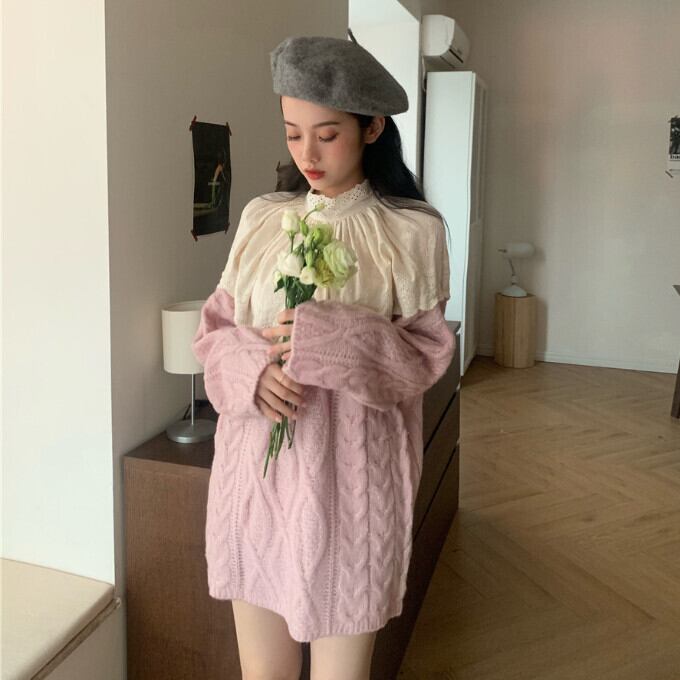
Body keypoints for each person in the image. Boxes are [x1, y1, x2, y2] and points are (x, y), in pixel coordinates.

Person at [191, 35, 456, 680]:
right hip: (255, 484)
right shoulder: (262, 218)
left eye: (327, 135)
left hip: (353, 494)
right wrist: (251, 371)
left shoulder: (411, 230)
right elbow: (214, 331)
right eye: (293, 134)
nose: (307, 154)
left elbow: (424, 358)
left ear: (372, 127)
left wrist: (335, 338)